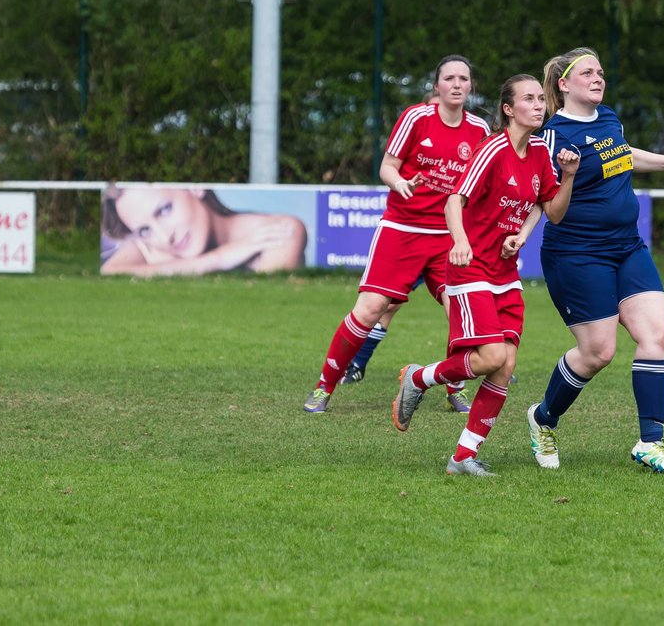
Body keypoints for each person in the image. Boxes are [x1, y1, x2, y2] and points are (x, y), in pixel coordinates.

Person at [526, 47, 664, 475]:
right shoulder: (552, 135)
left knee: (654, 337)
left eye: (601, 71)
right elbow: (539, 195)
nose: (598, 77)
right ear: (563, 84)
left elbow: (624, 155)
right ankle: (542, 419)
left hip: (626, 246)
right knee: (598, 352)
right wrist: (518, 235)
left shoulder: (609, 118)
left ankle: (651, 441)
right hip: (576, 253)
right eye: (587, 72)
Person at [392, 74, 579, 477]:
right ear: (509, 109)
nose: (538, 105)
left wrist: (566, 180)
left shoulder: (541, 156)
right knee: (492, 356)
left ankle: (463, 457)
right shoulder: (493, 148)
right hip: (470, 268)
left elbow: (551, 210)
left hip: (504, 274)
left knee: (505, 366)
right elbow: (454, 201)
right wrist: (459, 241)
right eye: (528, 99)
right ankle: (419, 377)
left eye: (539, 99)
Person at [304, 56, 489, 414]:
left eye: (463, 78)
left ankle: (456, 387)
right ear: (436, 86)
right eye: (448, 78)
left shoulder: (479, 129)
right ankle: (324, 387)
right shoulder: (416, 118)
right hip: (402, 230)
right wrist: (401, 182)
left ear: (470, 87)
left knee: (461, 310)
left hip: (447, 237)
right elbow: (387, 167)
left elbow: (479, 184)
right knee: (371, 308)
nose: (456, 84)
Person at [100, 186, 306, 276]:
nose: (164, 237)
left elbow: (262, 321)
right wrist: (216, 260)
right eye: (145, 230)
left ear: (194, 187)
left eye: (165, 210)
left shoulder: (278, 232)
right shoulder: (150, 247)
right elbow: (109, 274)